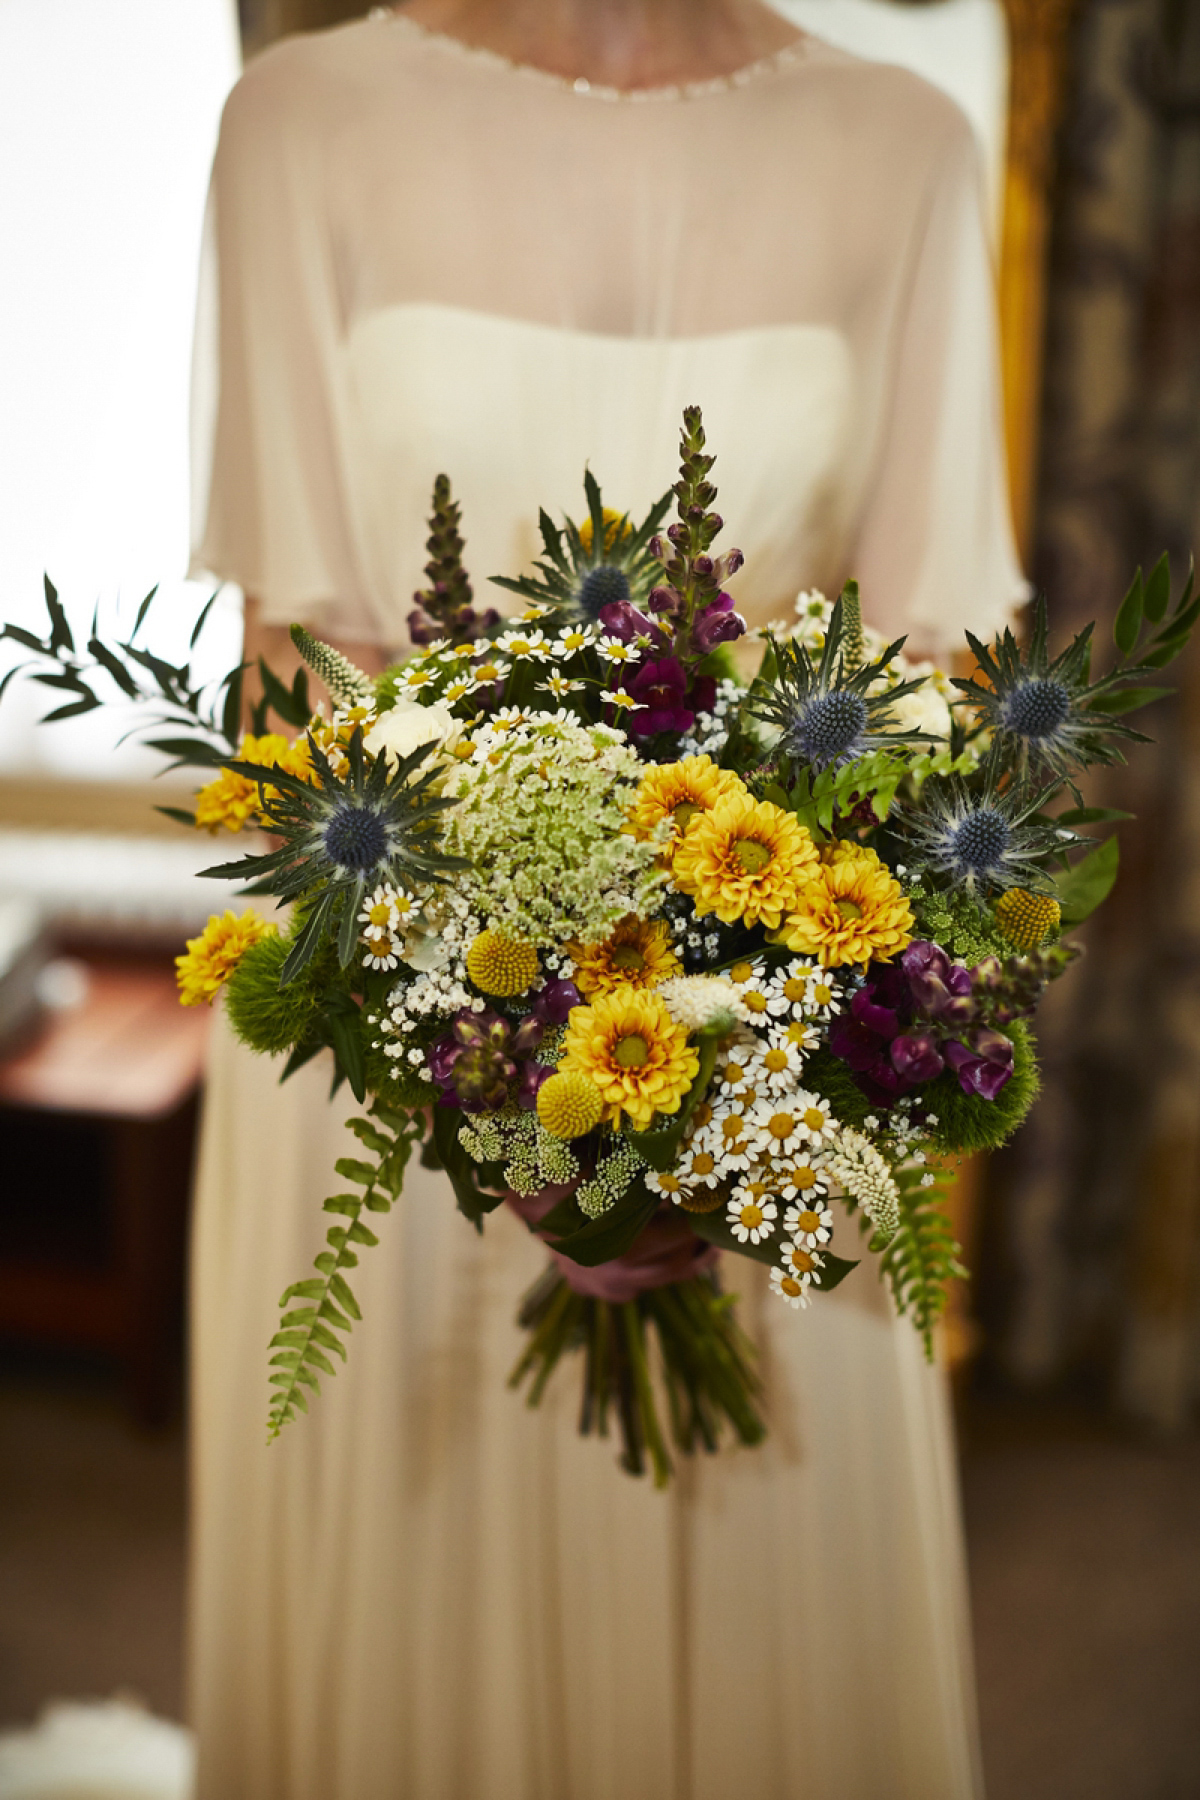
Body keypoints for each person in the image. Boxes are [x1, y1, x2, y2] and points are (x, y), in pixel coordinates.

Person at [188, 2, 1025, 1795]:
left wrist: (742, 1033)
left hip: (778, 1048)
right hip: (402, 1059)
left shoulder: (910, 146)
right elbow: (285, 675)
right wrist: (482, 1062)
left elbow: (929, 679)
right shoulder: (299, 123)